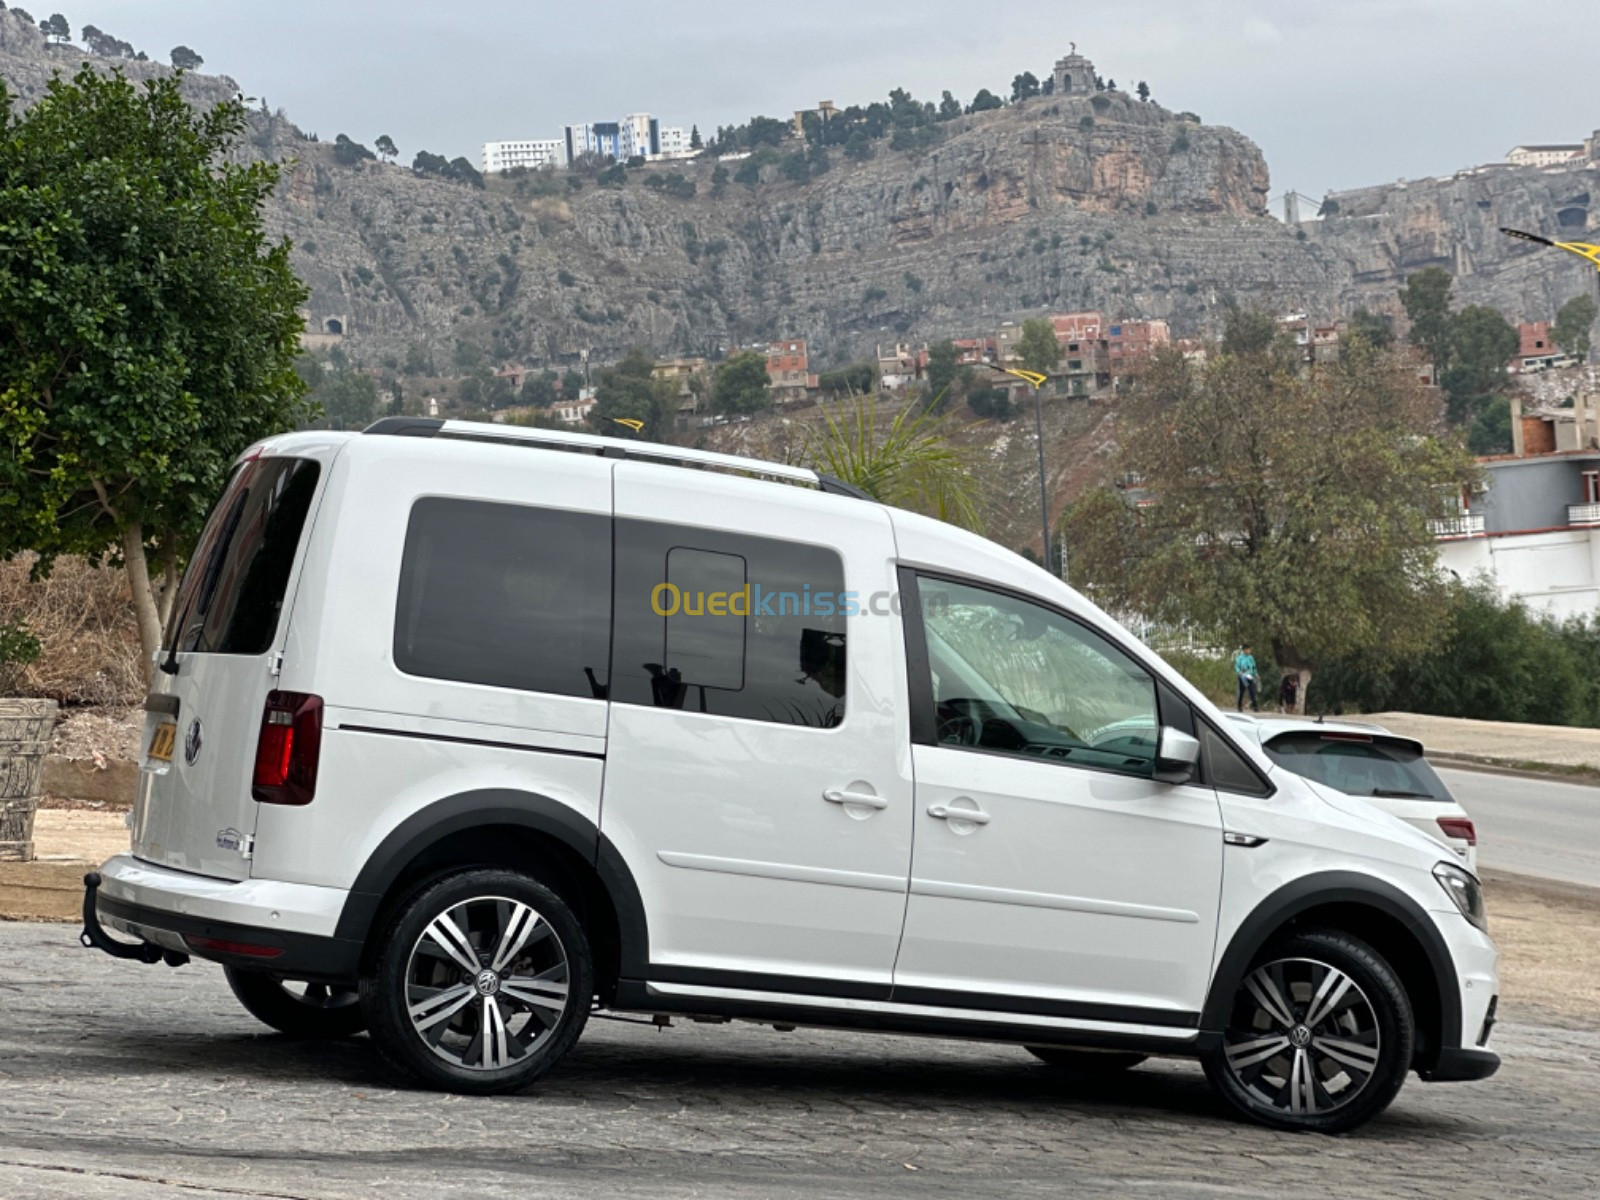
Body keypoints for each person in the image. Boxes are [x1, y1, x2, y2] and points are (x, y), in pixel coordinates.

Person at [1233, 645, 1259, 712]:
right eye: (1248, 649)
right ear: (1244, 650)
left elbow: (1253, 667)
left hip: (1250, 676)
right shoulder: (1240, 658)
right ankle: (1239, 706)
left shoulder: (1251, 657)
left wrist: (1256, 674)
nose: (1249, 651)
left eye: (1250, 650)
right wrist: (1239, 672)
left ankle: (1255, 706)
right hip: (1242, 676)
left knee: (1252, 691)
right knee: (1242, 692)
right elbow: (1236, 666)